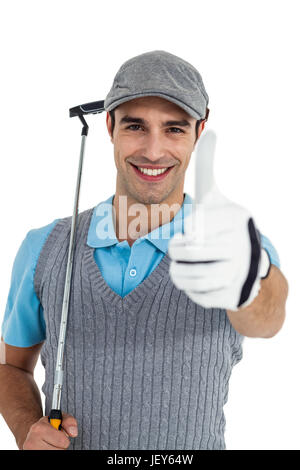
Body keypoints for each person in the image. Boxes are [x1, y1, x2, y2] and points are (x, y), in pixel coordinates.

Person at [0, 50, 288, 450]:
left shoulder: (237, 241)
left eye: (174, 129)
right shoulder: (45, 247)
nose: (153, 151)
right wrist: (26, 427)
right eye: (136, 126)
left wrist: (245, 277)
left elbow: (268, 319)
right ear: (110, 126)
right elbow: (11, 367)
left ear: (198, 132)